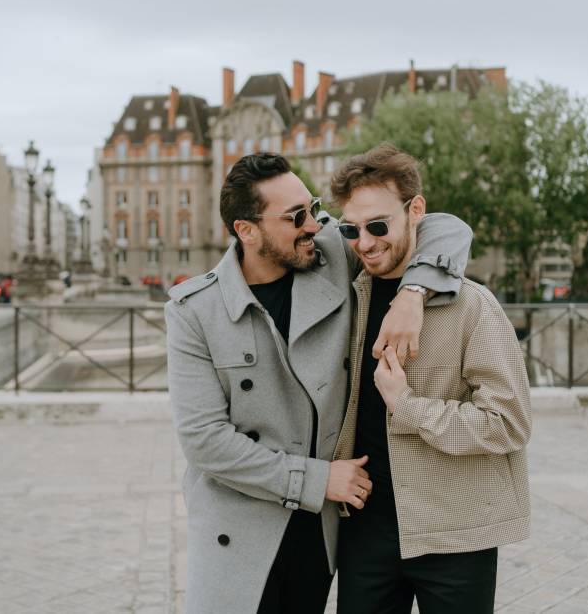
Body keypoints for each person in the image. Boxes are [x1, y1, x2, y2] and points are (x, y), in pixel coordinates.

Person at [165, 152, 472, 614]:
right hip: (239, 528)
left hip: (316, 531)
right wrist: (318, 478)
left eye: (311, 207)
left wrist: (413, 292)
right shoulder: (194, 311)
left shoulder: (331, 255)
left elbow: (446, 227)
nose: (313, 223)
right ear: (246, 230)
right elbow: (205, 442)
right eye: (296, 217)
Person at [329, 143, 532, 614]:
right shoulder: (345, 297)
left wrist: (409, 407)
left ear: (415, 210)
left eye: (378, 225)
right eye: (351, 229)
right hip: (363, 533)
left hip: (456, 535)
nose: (365, 242)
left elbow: (510, 422)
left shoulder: (472, 306)